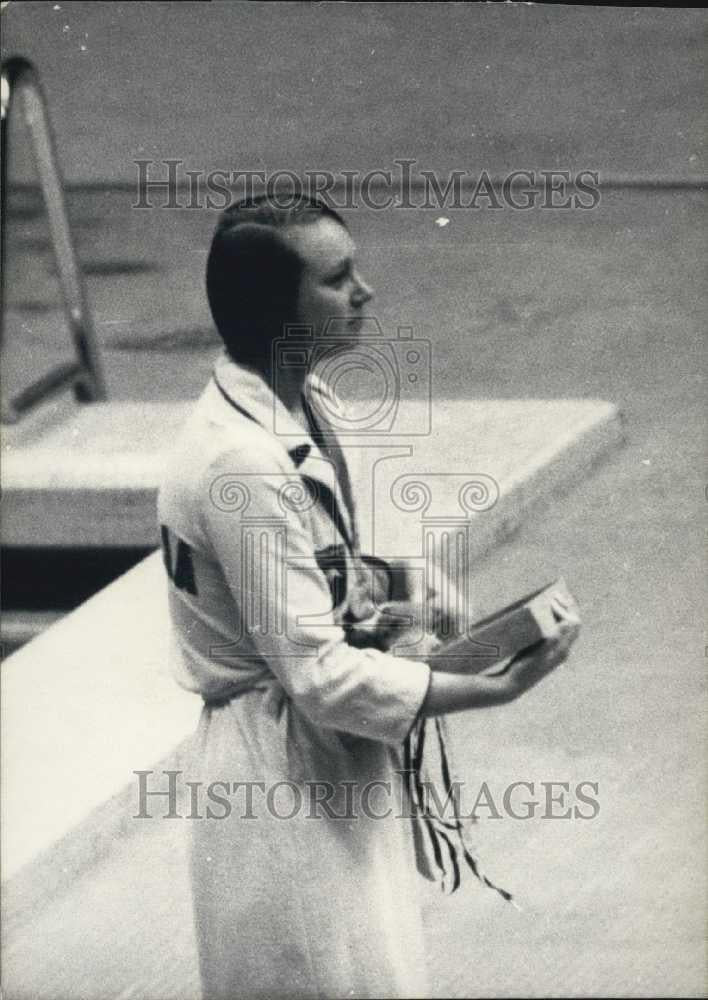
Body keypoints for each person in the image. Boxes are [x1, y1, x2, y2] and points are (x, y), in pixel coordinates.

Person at [157, 195, 580, 999]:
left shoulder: (297, 406)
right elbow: (319, 675)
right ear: (276, 308)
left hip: (322, 764)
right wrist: (491, 688)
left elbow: (305, 580)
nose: (367, 292)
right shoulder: (241, 462)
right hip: (280, 775)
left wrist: (404, 591)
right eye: (339, 277)